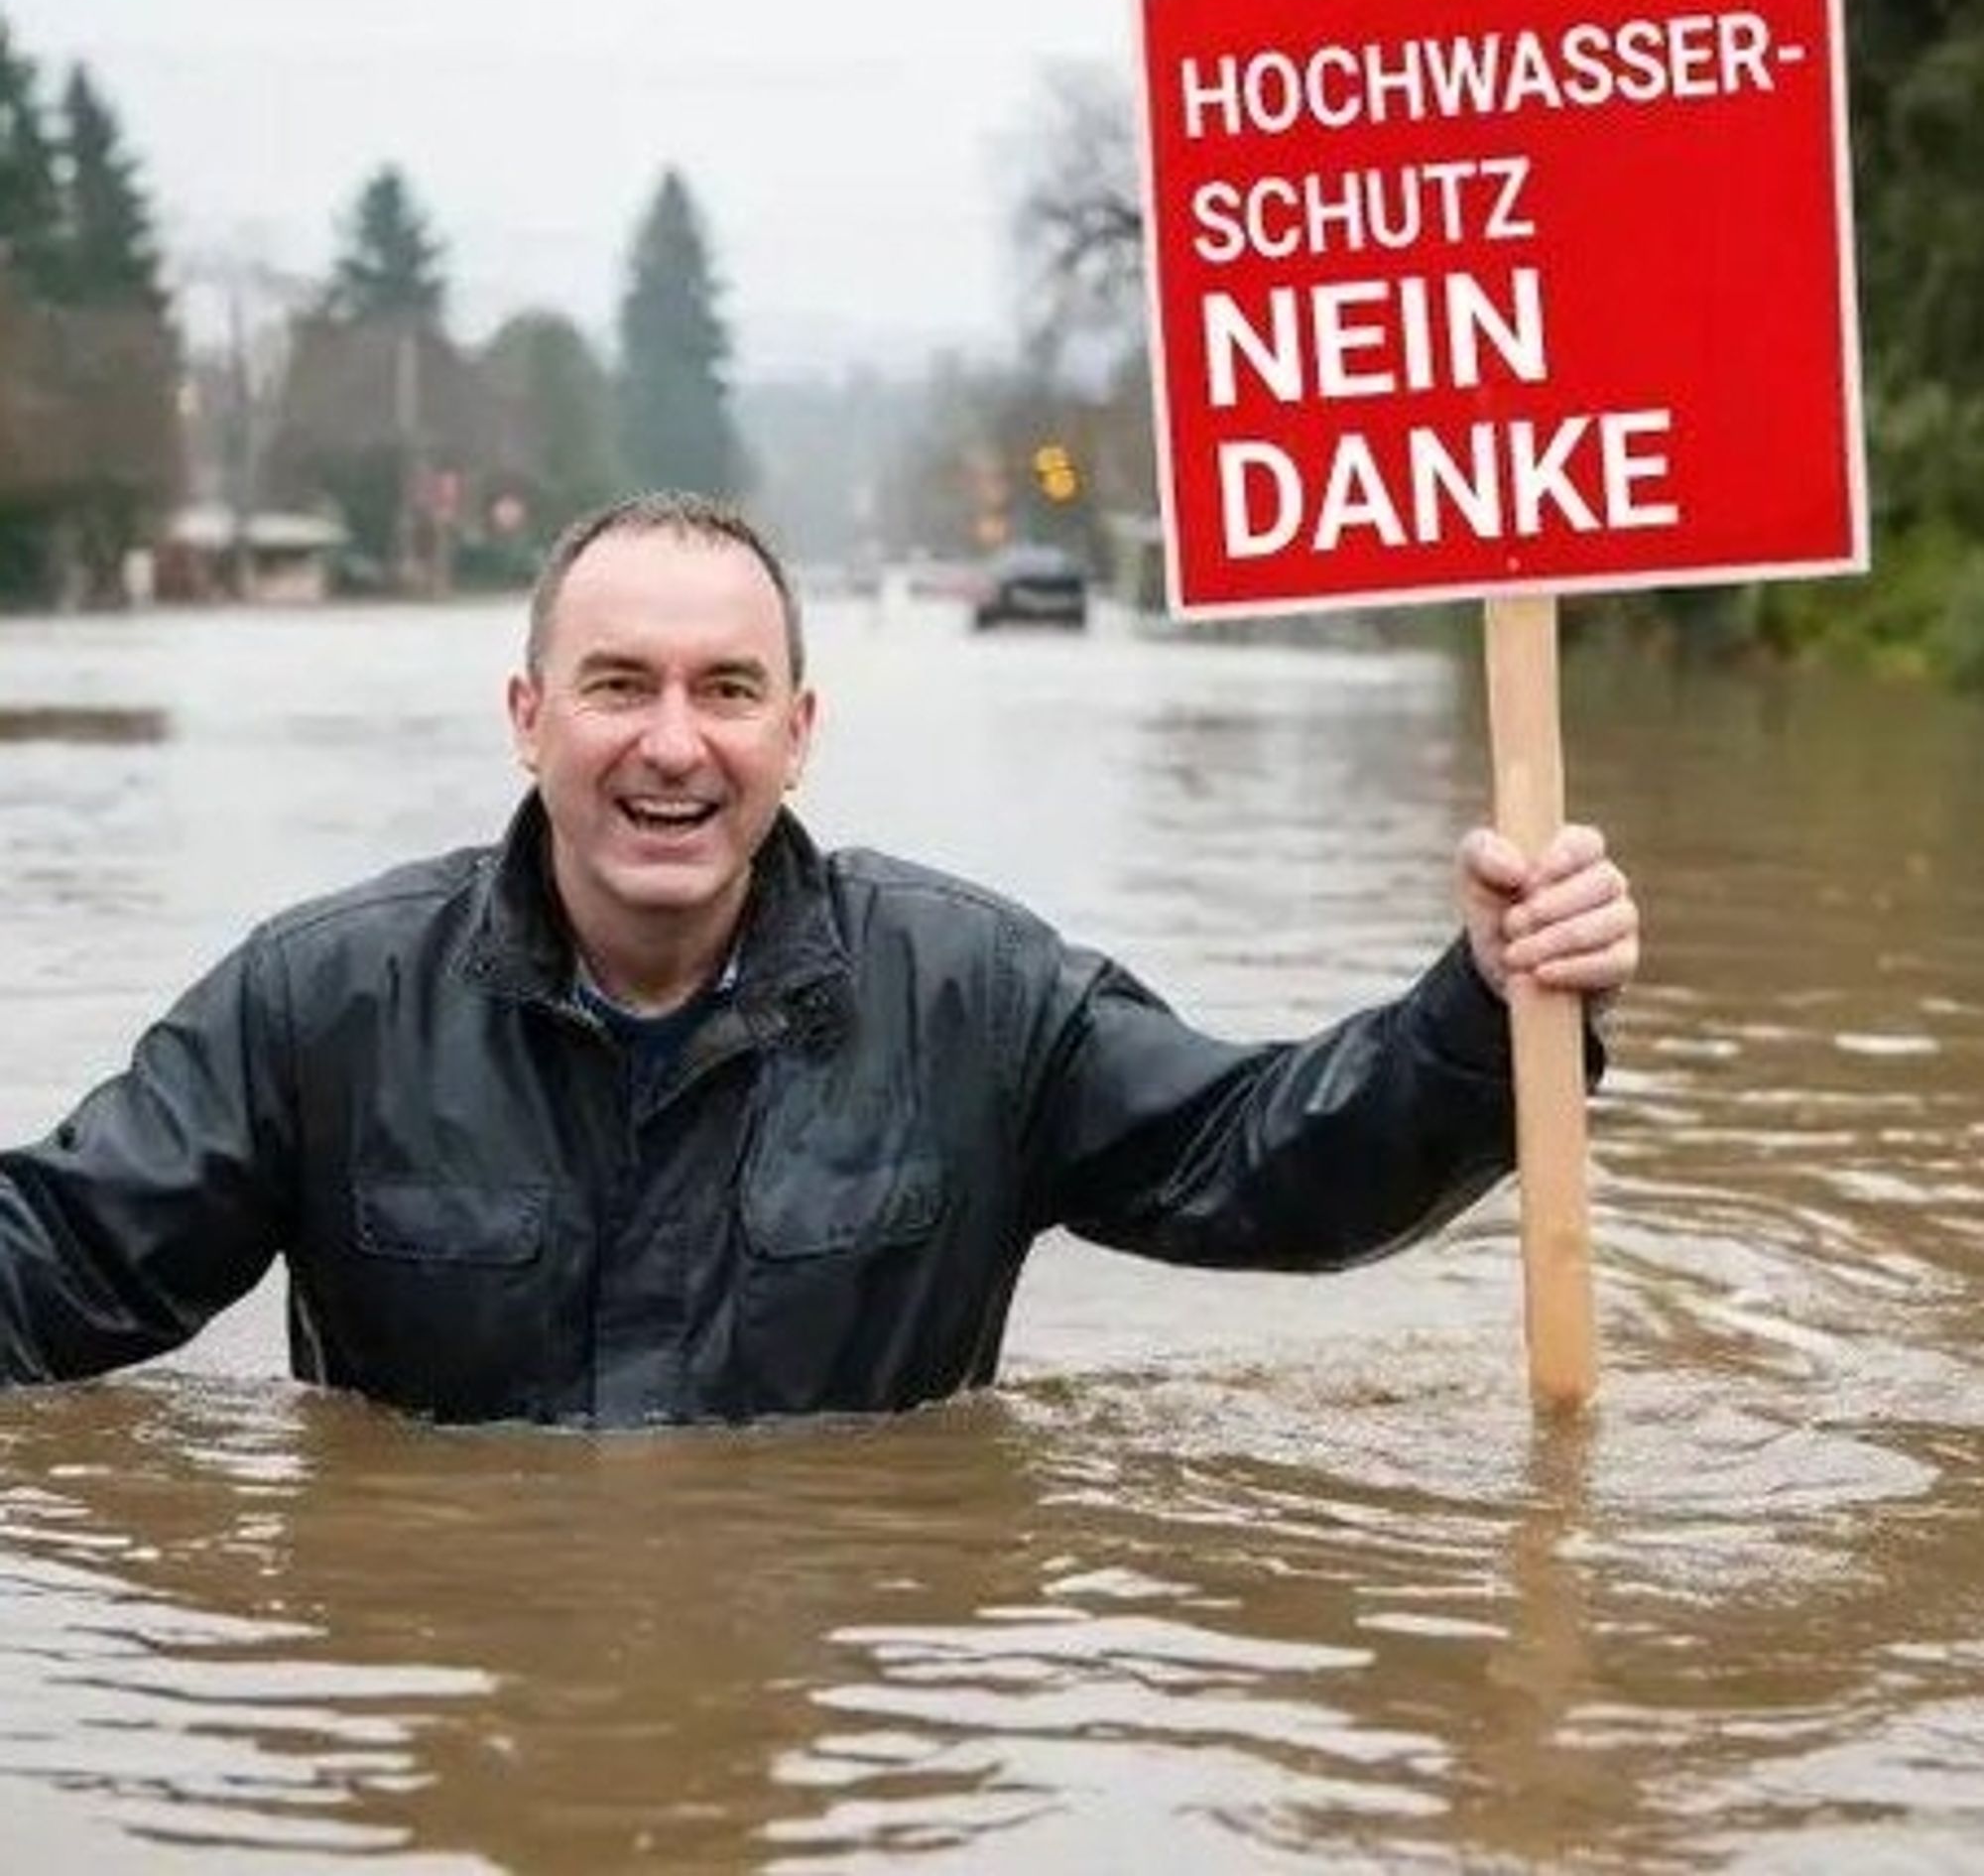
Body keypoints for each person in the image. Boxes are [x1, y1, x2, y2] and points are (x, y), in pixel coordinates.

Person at [0, 490, 1640, 1425]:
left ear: (797, 731)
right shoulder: (321, 1006)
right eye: (616, 683)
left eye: (725, 691)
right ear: (526, 720)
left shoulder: (974, 996)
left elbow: (1268, 1164)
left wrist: (1484, 1008)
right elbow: (59, 1263)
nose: (671, 744)